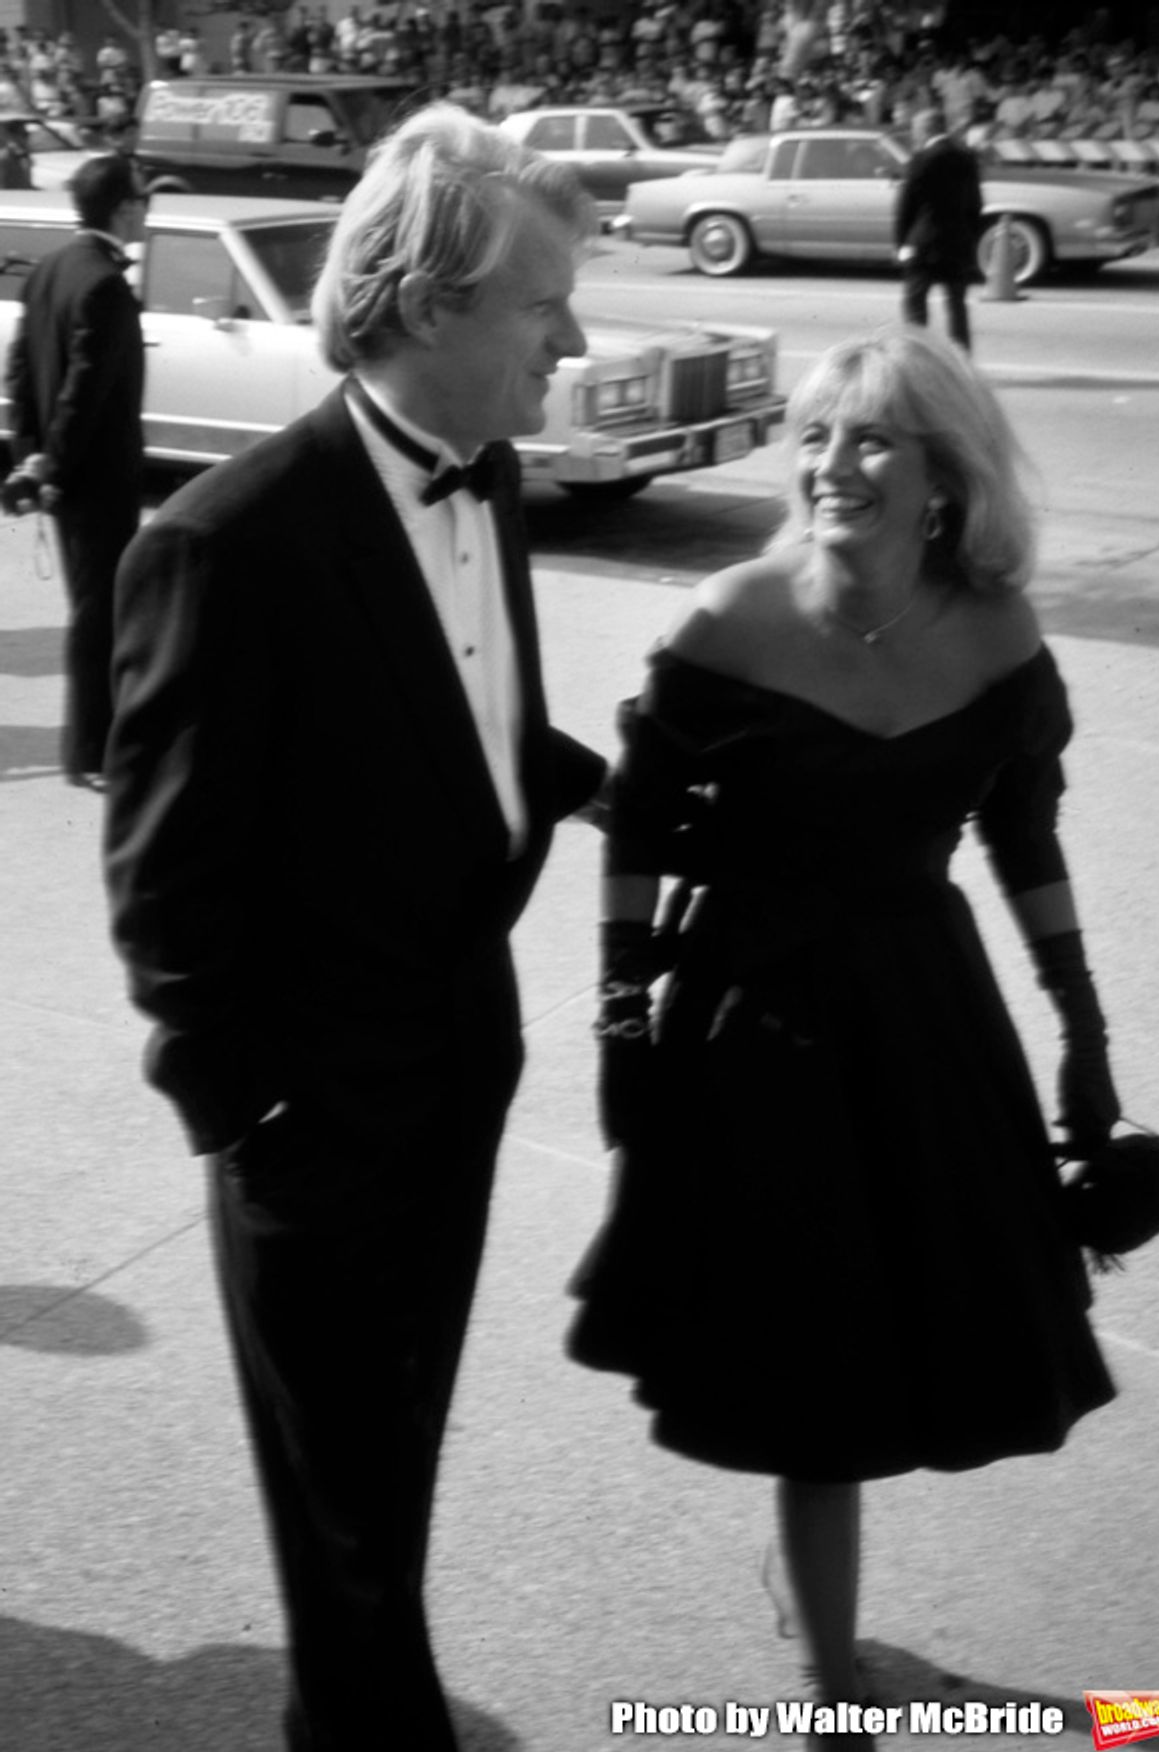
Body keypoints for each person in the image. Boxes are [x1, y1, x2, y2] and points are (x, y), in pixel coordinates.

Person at [104, 105, 606, 1752]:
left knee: (387, 1489)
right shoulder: (223, 543)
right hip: (312, 1128)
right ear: (434, 299)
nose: (576, 335)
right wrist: (245, 1112)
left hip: (459, 1073)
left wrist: (628, 787)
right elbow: (168, 885)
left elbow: (467, 725)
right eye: (547, 305)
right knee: (349, 1550)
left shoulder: (497, 477)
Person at [568, 327, 1120, 1729]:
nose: (831, 463)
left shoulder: (997, 630)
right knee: (813, 1376)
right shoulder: (728, 617)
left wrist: (1082, 1024)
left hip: (925, 1024)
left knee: (909, 1346)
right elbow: (635, 823)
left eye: (869, 436)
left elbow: (1025, 837)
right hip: (755, 1031)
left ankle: (818, 1618)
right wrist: (624, 1012)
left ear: (946, 477)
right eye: (815, 434)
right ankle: (829, 1682)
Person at [4, 152, 144, 788]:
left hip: (64, 473)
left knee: (93, 606)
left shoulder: (53, 269)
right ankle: (90, 749)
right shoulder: (105, 285)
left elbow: (19, 368)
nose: (144, 209)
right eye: (139, 199)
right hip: (98, 477)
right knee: (99, 612)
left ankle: (93, 743)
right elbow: (83, 392)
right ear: (120, 207)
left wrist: (30, 453)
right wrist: (51, 463)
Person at [895, 105, 983, 353]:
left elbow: (906, 207)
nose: (914, 135)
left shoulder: (920, 160)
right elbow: (975, 204)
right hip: (958, 242)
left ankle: (917, 358)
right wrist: (970, 237)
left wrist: (901, 243)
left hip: (923, 243)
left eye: (915, 130)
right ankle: (962, 360)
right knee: (957, 307)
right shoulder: (967, 158)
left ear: (926, 130)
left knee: (916, 306)